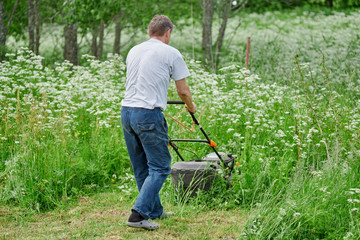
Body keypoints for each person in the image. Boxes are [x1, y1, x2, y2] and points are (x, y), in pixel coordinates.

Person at [121, 15, 197, 230]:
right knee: (161, 167)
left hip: (126, 112)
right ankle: (137, 215)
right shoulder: (171, 52)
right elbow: (182, 90)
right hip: (147, 114)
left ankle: (154, 211)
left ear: (149, 32)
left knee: (142, 167)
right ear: (167, 32)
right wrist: (191, 106)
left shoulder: (134, 50)